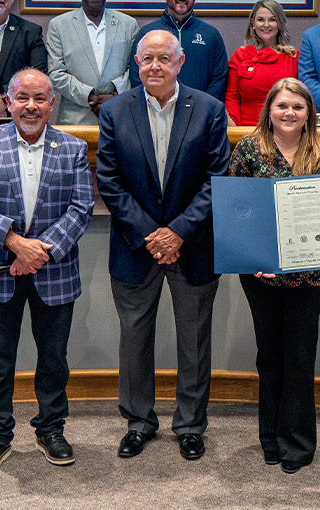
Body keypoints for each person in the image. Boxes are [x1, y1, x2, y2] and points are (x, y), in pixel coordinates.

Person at [96, 29, 231, 462]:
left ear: (180, 63)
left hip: (193, 245)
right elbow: (109, 181)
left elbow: (217, 177)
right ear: (137, 63)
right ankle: (138, 422)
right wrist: (151, 234)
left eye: (164, 58)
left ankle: (190, 425)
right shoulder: (114, 111)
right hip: (135, 246)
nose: (155, 66)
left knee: (194, 341)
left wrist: (179, 232)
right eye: (147, 58)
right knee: (134, 339)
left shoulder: (208, 109)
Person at [0, 68, 93, 479]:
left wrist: (37, 253)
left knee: (54, 359)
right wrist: (17, 244)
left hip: (55, 271)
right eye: (22, 98)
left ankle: (51, 430)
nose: (30, 106)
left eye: (39, 98)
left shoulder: (72, 148)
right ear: (8, 101)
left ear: (52, 104)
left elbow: (81, 208)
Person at [228, 78, 320, 474]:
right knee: (269, 355)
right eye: (282, 106)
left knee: (299, 355)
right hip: (260, 273)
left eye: (297, 106)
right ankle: (270, 436)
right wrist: (251, 254)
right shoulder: (249, 149)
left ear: (309, 112)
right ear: (269, 110)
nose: (289, 113)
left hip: (309, 273)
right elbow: (235, 208)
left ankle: (296, 441)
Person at [45, 0, 139, 125]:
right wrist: (89, 96)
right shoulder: (59, 25)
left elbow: (135, 69)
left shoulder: (128, 24)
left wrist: (114, 96)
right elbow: (55, 73)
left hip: (119, 114)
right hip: (75, 119)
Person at [128, 0, 228, 102]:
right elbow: (136, 74)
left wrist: (204, 107)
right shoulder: (147, 33)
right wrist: (156, 103)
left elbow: (219, 77)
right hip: (155, 108)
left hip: (201, 110)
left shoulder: (211, 35)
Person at [224, 0, 299, 126]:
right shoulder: (240, 56)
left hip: (284, 129)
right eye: (260, 20)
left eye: (272, 20)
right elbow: (231, 97)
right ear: (253, 22)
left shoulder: (294, 57)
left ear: (280, 23)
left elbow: (301, 99)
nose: (266, 25)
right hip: (245, 130)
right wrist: (234, 128)